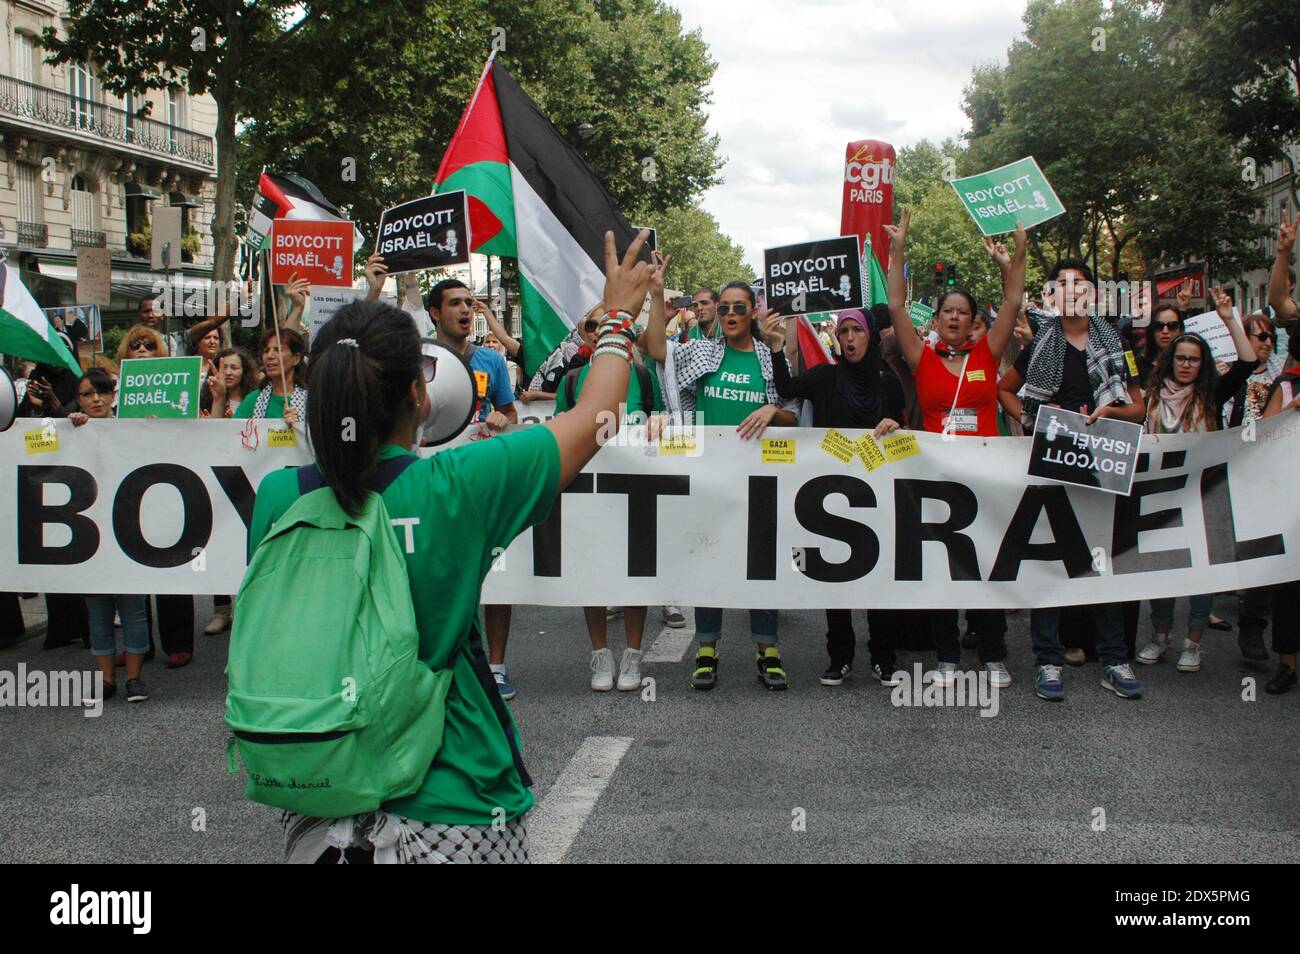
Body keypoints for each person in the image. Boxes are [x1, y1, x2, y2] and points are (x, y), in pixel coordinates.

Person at [248, 228, 653, 863]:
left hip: (320, 790)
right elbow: (600, 411)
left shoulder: (277, 497)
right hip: (457, 801)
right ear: (420, 393)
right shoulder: (460, 484)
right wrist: (621, 316)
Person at [886, 213, 1027, 690]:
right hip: (936, 480)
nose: (952, 317)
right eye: (946, 311)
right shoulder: (920, 356)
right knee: (943, 568)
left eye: (961, 313)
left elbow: (1013, 298)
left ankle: (992, 653)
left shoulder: (988, 353)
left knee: (986, 566)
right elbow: (896, 306)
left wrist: (1018, 252)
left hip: (985, 480)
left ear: (972, 322)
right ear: (938, 318)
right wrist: (898, 250)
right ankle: (946, 655)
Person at [996, 258, 1146, 701]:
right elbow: (1005, 389)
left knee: (1104, 561)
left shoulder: (1116, 344)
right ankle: (1048, 660)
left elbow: (1138, 408)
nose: (1072, 290)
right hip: (1054, 466)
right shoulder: (1040, 344)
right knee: (1051, 564)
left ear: (1093, 294)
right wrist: (1031, 423)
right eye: (1062, 284)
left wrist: (1110, 413)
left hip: (1101, 469)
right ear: (1053, 296)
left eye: (1080, 284)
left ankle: (1114, 658)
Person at [644, 277, 799, 691]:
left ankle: (768, 650)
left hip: (759, 482)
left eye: (739, 308)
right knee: (709, 561)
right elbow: (658, 350)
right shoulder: (704, 353)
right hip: (710, 479)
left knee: (759, 566)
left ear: (753, 314)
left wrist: (771, 410)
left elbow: (794, 415)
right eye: (725, 308)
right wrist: (657, 293)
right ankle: (707, 648)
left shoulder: (769, 360)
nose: (730, 315)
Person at [766, 307, 904, 685]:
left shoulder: (887, 382)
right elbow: (786, 389)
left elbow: (904, 432)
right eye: (842, 331)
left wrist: (895, 425)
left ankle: (883, 657)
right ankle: (839, 656)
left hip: (876, 494)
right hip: (831, 496)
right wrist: (778, 348)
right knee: (836, 575)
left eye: (855, 331)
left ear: (870, 336)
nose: (848, 339)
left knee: (878, 576)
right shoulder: (825, 378)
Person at [554, 256, 668, 692]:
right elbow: (561, 431)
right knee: (592, 573)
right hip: (589, 494)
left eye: (610, 326)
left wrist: (659, 424)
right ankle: (600, 655)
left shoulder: (641, 375)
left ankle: (633, 656)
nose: (605, 334)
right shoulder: (571, 381)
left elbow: (661, 419)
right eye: (596, 328)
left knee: (635, 571)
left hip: (637, 493)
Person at [1133, 287, 1256, 673]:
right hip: (1160, 494)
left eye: (1194, 359)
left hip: (1204, 495)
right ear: (1170, 360)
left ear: (1202, 364)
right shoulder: (1151, 393)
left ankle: (1193, 644)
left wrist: (1228, 318)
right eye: (1180, 358)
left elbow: (1248, 361)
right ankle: (1160, 638)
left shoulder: (1211, 395)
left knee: (1203, 573)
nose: (1186, 365)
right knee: (1163, 569)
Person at [423, 279, 524, 698]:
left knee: (497, 571)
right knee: (439, 572)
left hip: (481, 478)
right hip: (434, 478)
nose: (466, 310)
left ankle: (495, 667)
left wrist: (504, 419)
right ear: (434, 313)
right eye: (455, 304)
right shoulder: (421, 357)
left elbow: (510, 411)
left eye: (469, 303)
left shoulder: (491, 361)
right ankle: (442, 659)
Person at [67, 368, 151, 702]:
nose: (96, 399)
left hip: (129, 531)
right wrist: (69, 430)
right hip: (89, 535)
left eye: (102, 392)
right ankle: (106, 680)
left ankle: (134, 678)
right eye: (88, 394)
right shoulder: (70, 428)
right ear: (78, 398)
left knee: (134, 609)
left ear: (114, 396)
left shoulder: (130, 426)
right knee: (98, 611)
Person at [1259, 321, 1300, 694]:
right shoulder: (1286, 385)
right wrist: (1291, 409)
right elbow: (1263, 435)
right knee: (1291, 585)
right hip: (1291, 499)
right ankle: (1287, 664)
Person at [234, 328, 308, 423]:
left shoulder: (311, 401)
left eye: (278, 350)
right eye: (266, 351)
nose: (270, 356)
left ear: (296, 359)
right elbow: (234, 434)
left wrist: (299, 427)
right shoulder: (253, 400)